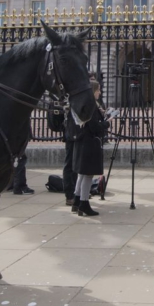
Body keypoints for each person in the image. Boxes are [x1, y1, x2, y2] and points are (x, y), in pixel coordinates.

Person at [72, 81, 110, 216]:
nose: (100, 92)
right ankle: (84, 203)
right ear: (93, 91)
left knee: (82, 173)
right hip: (90, 143)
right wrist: (106, 123)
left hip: (82, 142)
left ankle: (77, 200)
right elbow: (94, 127)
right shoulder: (91, 106)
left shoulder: (84, 105)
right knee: (88, 174)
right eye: (98, 90)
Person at [65, 73, 98, 206]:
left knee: (79, 169)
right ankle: (74, 196)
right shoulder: (79, 97)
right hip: (77, 135)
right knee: (76, 167)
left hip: (76, 134)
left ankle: (77, 196)